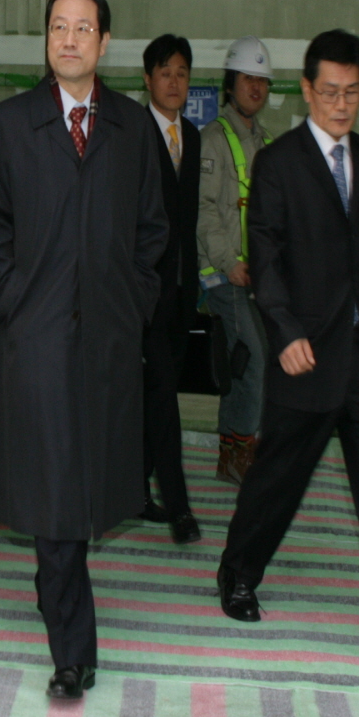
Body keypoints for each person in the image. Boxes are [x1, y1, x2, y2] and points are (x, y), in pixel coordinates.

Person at [217, 29, 359, 682]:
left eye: (352, 93)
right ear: (307, 91)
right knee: (277, 481)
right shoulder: (281, 163)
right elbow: (263, 253)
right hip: (307, 356)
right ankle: (238, 572)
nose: (342, 105)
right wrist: (285, 331)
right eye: (330, 93)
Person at [0, 0, 167, 700]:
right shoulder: (12, 123)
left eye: (84, 28)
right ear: (46, 39)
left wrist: (132, 303)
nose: (71, 39)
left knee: (89, 487)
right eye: (59, 27)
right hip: (40, 339)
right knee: (54, 495)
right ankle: (72, 650)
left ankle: (60, 600)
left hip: (109, 339)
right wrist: (12, 307)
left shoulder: (132, 128)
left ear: (105, 43)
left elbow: (154, 231)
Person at [196, 35, 272, 484]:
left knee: (246, 364)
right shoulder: (213, 140)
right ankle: (239, 452)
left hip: (259, 278)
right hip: (224, 277)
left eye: (262, 80)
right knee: (253, 360)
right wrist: (230, 263)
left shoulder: (267, 141)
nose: (256, 87)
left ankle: (234, 453)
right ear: (230, 83)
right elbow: (205, 212)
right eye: (247, 78)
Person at [139, 32, 203, 543]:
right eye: (165, 73)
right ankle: (180, 508)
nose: (175, 82)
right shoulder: (133, 135)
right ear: (147, 80)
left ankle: (136, 491)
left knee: (159, 392)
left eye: (182, 73)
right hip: (144, 294)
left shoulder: (195, 136)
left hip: (184, 288)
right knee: (163, 398)